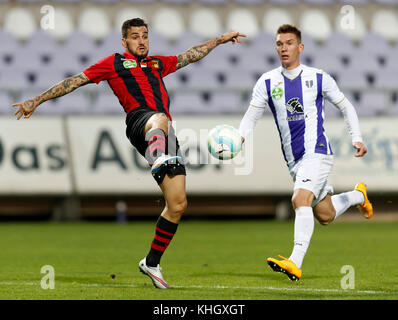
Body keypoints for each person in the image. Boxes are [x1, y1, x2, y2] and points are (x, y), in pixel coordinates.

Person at [13, 18, 246, 289]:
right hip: (139, 122)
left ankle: (152, 262)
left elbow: (190, 55)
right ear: (124, 42)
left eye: (145, 35)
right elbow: (74, 81)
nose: (142, 40)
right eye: (135, 36)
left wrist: (219, 39)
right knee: (158, 117)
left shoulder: (157, 63)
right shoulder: (113, 63)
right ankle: (158, 156)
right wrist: (36, 100)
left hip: (164, 132)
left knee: (178, 203)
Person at [239, 24, 373, 281]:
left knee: (299, 199)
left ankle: (295, 262)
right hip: (294, 161)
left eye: (289, 43)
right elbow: (251, 115)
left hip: (317, 152)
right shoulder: (267, 81)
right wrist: (240, 137)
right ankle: (359, 195)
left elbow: (346, 107)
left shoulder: (318, 77)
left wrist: (356, 137)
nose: (283, 48)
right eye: (279, 44)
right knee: (324, 214)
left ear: (300, 47)